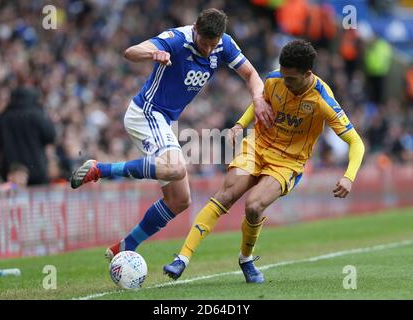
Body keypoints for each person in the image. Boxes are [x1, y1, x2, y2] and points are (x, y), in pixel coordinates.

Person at [69, 8, 273, 260]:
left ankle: (124, 247)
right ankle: (101, 169)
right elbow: (130, 52)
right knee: (175, 168)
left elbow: (251, 74)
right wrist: (153, 53)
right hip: (146, 113)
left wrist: (257, 98)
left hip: (164, 121)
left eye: (213, 45)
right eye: (204, 43)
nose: (209, 50)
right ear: (195, 29)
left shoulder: (224, 44)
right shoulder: (177, 39)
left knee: (179, 200)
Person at [163, 39, 365, 283]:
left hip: (288, 162)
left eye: (291, 79)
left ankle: (245, 259)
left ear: (307, 74)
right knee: (225, 195)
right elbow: (259, 101)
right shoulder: (274, 79)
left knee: (254, 205)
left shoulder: (323, 101)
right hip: (257, 147)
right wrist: (240, 124)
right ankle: (182, 258)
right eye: (283, 75)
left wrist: (348, 176)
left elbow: (356, 142)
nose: (285, 82)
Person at [0, 86, 56, 186]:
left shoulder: (4, 117)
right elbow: (51, 136)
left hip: (11, 172)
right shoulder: (37, 115)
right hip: (37, 171)